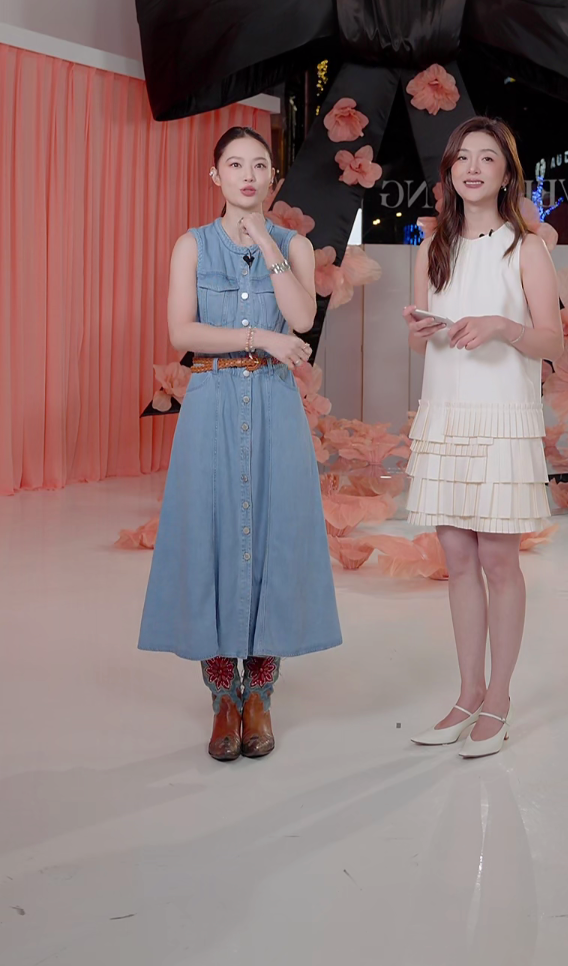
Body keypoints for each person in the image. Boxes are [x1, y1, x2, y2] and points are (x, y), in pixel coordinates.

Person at [138, 126, 342, 760]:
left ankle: (261, 698)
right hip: (212, 401)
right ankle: (223, 697)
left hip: (275, 407)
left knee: (272, 540)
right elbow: (181, 332)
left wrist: (268, 243)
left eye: (259, 165)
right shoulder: (192, 245)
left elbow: (302, 318)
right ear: (216, 175)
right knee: (215, 537)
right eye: (235, 164)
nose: (247, 175)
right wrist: (260, 339)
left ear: (272, 178)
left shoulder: (295, 246)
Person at [403, 117, 563, 758]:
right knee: (459, 561)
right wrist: (420, 331)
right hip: (446, 417)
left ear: (505, 173)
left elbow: (553, 342)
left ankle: (499, 699)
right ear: (449, 172)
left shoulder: (526, 249)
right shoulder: (431, 249)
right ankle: (468, 693)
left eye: (487, 157)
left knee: (499, 561)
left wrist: (501, 326)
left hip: (502, 420)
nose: (473, 167)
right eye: (462, 157)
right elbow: (422, 341)